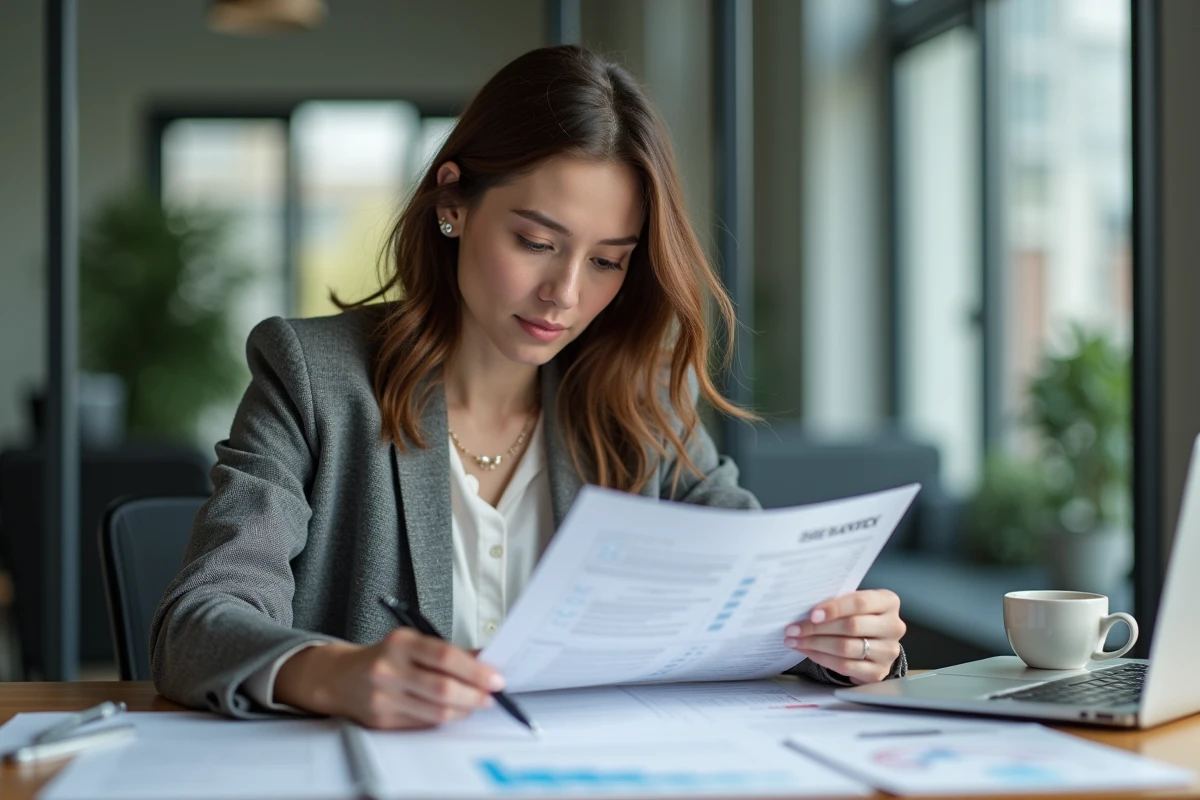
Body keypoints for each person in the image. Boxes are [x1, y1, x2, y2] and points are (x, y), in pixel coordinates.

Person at [149, 44, 908, 729]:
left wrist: (845, 642)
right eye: (537, 242)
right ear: (452, 203)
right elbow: (197, 624)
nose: (565, 294)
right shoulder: (314, 377)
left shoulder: (640, 403)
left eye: (608, 260)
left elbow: (765, 594)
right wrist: (334, 673)